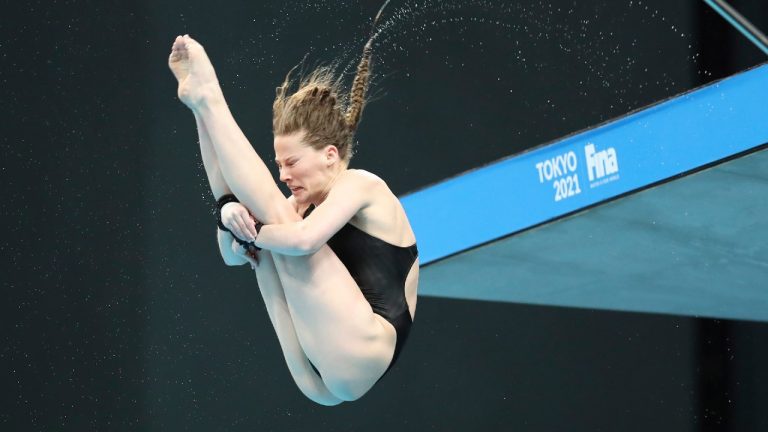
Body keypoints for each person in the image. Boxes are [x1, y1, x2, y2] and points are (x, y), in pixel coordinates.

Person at [167, 26, 418, 405]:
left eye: (292, 162)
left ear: (330, 155)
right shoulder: (299, 208)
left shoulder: (362, 185)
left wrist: (251, 230)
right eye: (279, 164)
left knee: (272, 221)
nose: (284, 175)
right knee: (260, 229)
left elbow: (303, 241)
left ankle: (211, 100)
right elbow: (232, 256)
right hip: (321, 376)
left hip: (365, 348)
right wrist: (229, 212)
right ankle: (201, 111)